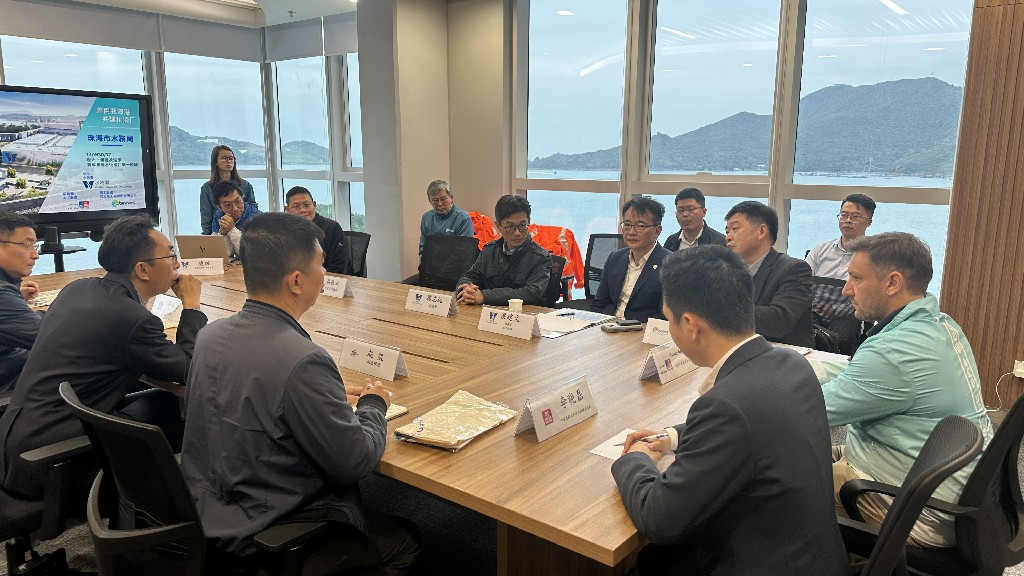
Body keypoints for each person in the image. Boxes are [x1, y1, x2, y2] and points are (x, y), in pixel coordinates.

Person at [179, 212, 420, 574]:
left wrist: (322, 393)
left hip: (202, 510)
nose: (325, 273)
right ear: (296, 281)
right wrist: (373, 405)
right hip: (264, 533)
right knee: (407, 541)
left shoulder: (209, 334)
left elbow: (257, 390)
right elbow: (354, 462)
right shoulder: (303, 360)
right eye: (320, 264)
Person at [612, 245, 847, 576]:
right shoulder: (791, 363)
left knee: (650, 559)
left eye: (668, 319)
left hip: (760, 564)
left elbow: (659, 519)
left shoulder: (725, 407)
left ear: (691, 325)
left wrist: (633, 459)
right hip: (812, 556)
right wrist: (673, 437)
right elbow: (753, 426)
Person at [0, 215, 206, 499]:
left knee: (160, 401)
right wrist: (192, 306)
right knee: (180, 410)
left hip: (19, 444)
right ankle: (178, 501)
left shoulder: (77, 288)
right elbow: (188, 369)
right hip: (54, 465)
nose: (177, 264)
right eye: (171, 255)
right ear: (143, 269)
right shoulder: (132, 319)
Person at [821, 232, 993, 548]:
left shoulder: (892, 354)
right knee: (804, 455)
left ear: (892, 283)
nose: (846, 289)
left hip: (916, 510)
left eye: (856, 278)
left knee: (779, 487)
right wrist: (798, 366)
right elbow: (858, 374)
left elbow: (809, 410)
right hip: (951, 490)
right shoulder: (940, 325)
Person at [724, 201, 813, 347]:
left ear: (761, 232)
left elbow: (779, 321)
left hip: (784, 354)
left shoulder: (794, 269)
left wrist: (719, 310)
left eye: (735, 229)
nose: (728, 237)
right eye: (727, 231)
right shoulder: (730, 270)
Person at [456, 195, 551, 306]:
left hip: (524, 313)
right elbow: (471, 276)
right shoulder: (490, 250)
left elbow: (531, 293)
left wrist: (485, 296)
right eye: (510, 226)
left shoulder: (541, 257)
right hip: (489, 312)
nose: (517, 233)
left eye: (522, 225)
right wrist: (466, 289)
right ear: (498, 226)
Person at [590, 197, 671, 322]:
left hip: (640, 329)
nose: (631, 232)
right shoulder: (614, 258)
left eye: (640, 226)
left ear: (657, 231)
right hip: (608, 326)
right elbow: (599, 304)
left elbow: (664, 317)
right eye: (627, 225)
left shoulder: (670, 265)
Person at [0, 211, 44, 393]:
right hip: (8, 384)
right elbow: (48, 337)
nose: (35, 255)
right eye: (27, 245)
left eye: (35, 245)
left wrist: (15, 299)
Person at [806, 193, 875, 280]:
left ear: (869, 222)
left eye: (855, 216)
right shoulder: (819, 250)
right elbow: (801, 281)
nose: (848, 220)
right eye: (844, 215)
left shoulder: (873, 257)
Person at [284, 186, 351, 275]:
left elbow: (339, 265)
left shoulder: (331, 227)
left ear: (314, 205)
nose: (303, 210)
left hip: (328, 279)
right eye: (296, 207)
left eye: (307, 205)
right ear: (287, 209)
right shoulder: (285, 231)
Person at [200, 145, 257, 236]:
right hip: (219, 230)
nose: (229, 161)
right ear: (215, 162)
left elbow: (253, 210)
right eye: (224, 158)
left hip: (245, 231)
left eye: (231, 158)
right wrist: (208, 240)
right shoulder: (207, 188)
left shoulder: (245, 185)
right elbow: (206, 218)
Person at [418, 180, 473, 259]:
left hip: (455, 264)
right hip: (430, 264)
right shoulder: (427, 218)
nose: (440, 204)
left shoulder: (463, 219)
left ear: (451, 197)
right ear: (430, 201)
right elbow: (423, 248)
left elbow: (463, 252)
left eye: (443, 199)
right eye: (435, 200)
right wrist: (423, 264)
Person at [211, 180, 261, 259]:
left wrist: (231, 230)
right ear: (219, 207)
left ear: (242, 198)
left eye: (238, 202)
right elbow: (223, 255)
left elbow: (251, 255)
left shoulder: (256, 217)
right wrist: (223, 234)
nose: (235, 208)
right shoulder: (219, 216)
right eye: (228, 205)